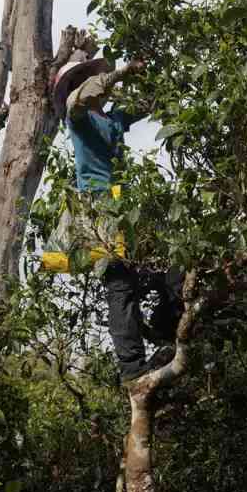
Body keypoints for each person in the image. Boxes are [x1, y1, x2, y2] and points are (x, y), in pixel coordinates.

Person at [51, 49, 184, 385]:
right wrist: (123, 71)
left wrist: (161, 75)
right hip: (98, 210)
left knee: (171, 267)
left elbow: (147, 104)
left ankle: (166, 330)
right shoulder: (76, 116)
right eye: (88, 79)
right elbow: (82, 97)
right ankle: (132, 369)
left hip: (125, 208)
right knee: (120, 287)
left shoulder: (111, 119)